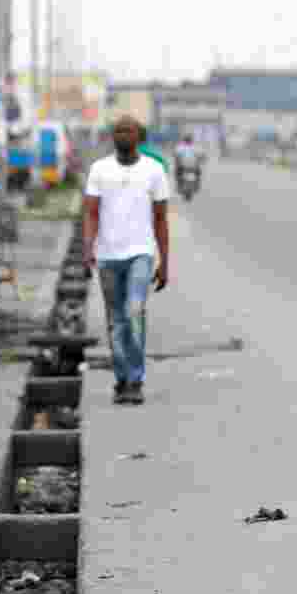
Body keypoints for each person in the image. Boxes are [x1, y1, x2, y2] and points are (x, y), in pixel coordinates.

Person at [82, 116, 171, 405]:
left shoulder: (154, 170)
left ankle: (136, 379)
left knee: (134, 312)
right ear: (112, 136)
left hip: (140, 254)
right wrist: (88, 247)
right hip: (108, 256)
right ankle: (121, 378)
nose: (122, 134)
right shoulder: (99, 169)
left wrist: (165, 262)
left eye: (128, 130)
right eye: (118, 130)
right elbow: (91, 213)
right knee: (115, 320)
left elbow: (160, 219)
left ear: (139, 136)